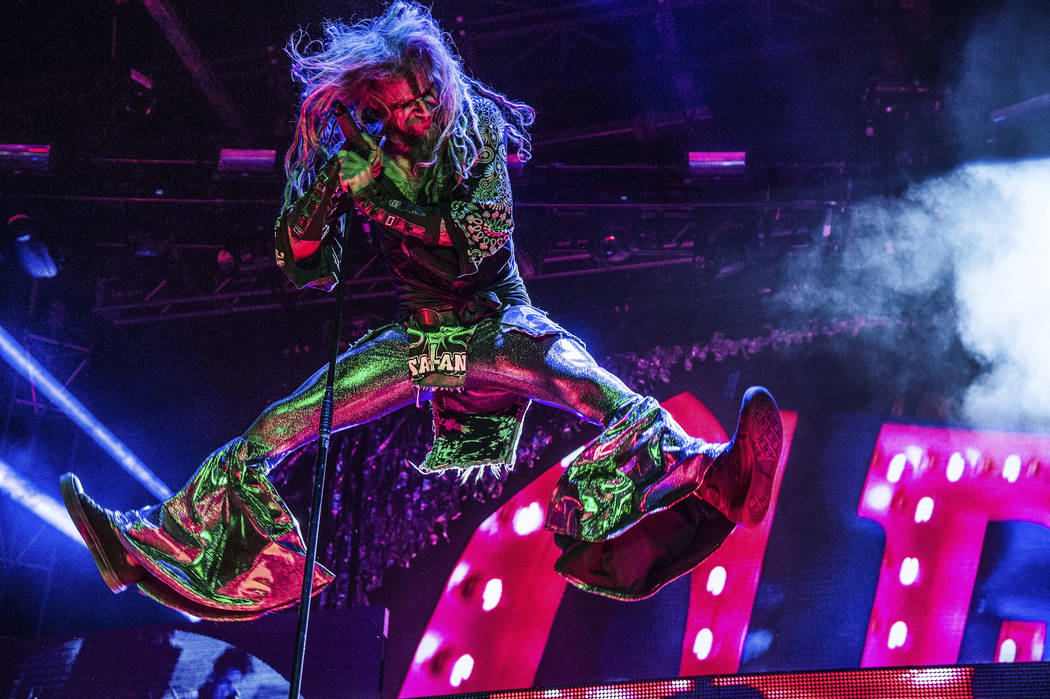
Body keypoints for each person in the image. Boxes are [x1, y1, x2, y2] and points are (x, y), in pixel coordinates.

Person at [60, 1, 783, 620]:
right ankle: (159, 543)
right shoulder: (355, 146)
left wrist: (375, 194)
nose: (419, 115)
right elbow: (301, 263)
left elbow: (475, 240)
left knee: (591, 383)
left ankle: (709, 472)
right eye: (401, 108)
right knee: (282, 423)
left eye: (424, 99)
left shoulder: (478, 131)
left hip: (500, 326)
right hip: (427, 343)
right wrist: (323, 190)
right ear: (375, 105)